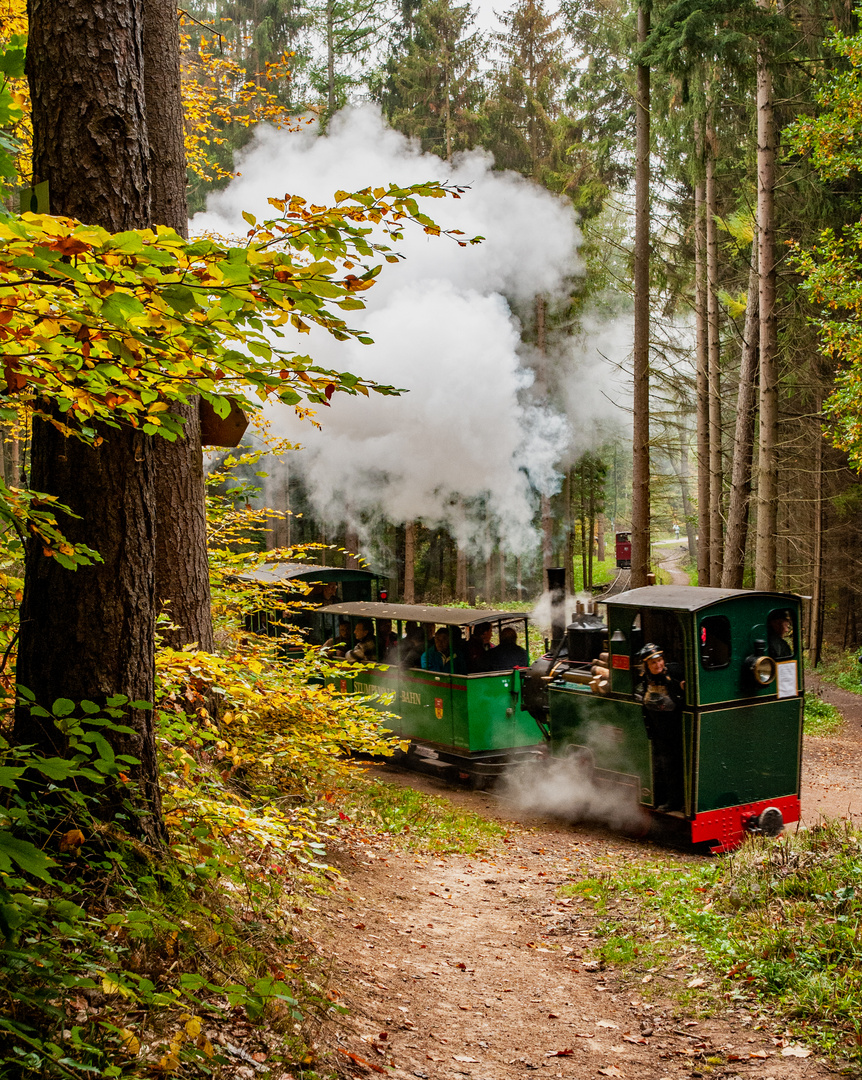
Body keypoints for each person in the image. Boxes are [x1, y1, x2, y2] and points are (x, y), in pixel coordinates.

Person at [634, 643, 685, 813]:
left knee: (673, 766)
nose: (658, 665)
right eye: (653, 663)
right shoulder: (645, 679)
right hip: (657, 730)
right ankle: (663, 798)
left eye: (660, 660)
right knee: (661, 765)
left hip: (676, 730)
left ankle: (676, 801)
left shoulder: (675, 673)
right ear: (647, 665)